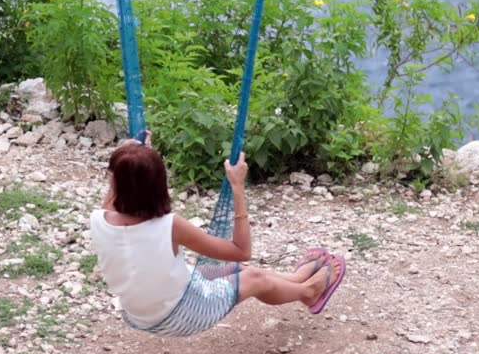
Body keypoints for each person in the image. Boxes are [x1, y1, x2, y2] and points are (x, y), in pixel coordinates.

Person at [89, 133, 345, 335]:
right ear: (159, 184)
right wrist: (237, 186)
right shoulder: (168, 226)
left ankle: (296, 278)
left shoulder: (99, 218)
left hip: (138, 313)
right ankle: (307, 292)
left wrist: (131, 156)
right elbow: (240, 250)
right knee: (254, 277)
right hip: (179, 313)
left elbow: (119, 190)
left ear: (115, 183)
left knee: (236, 271)